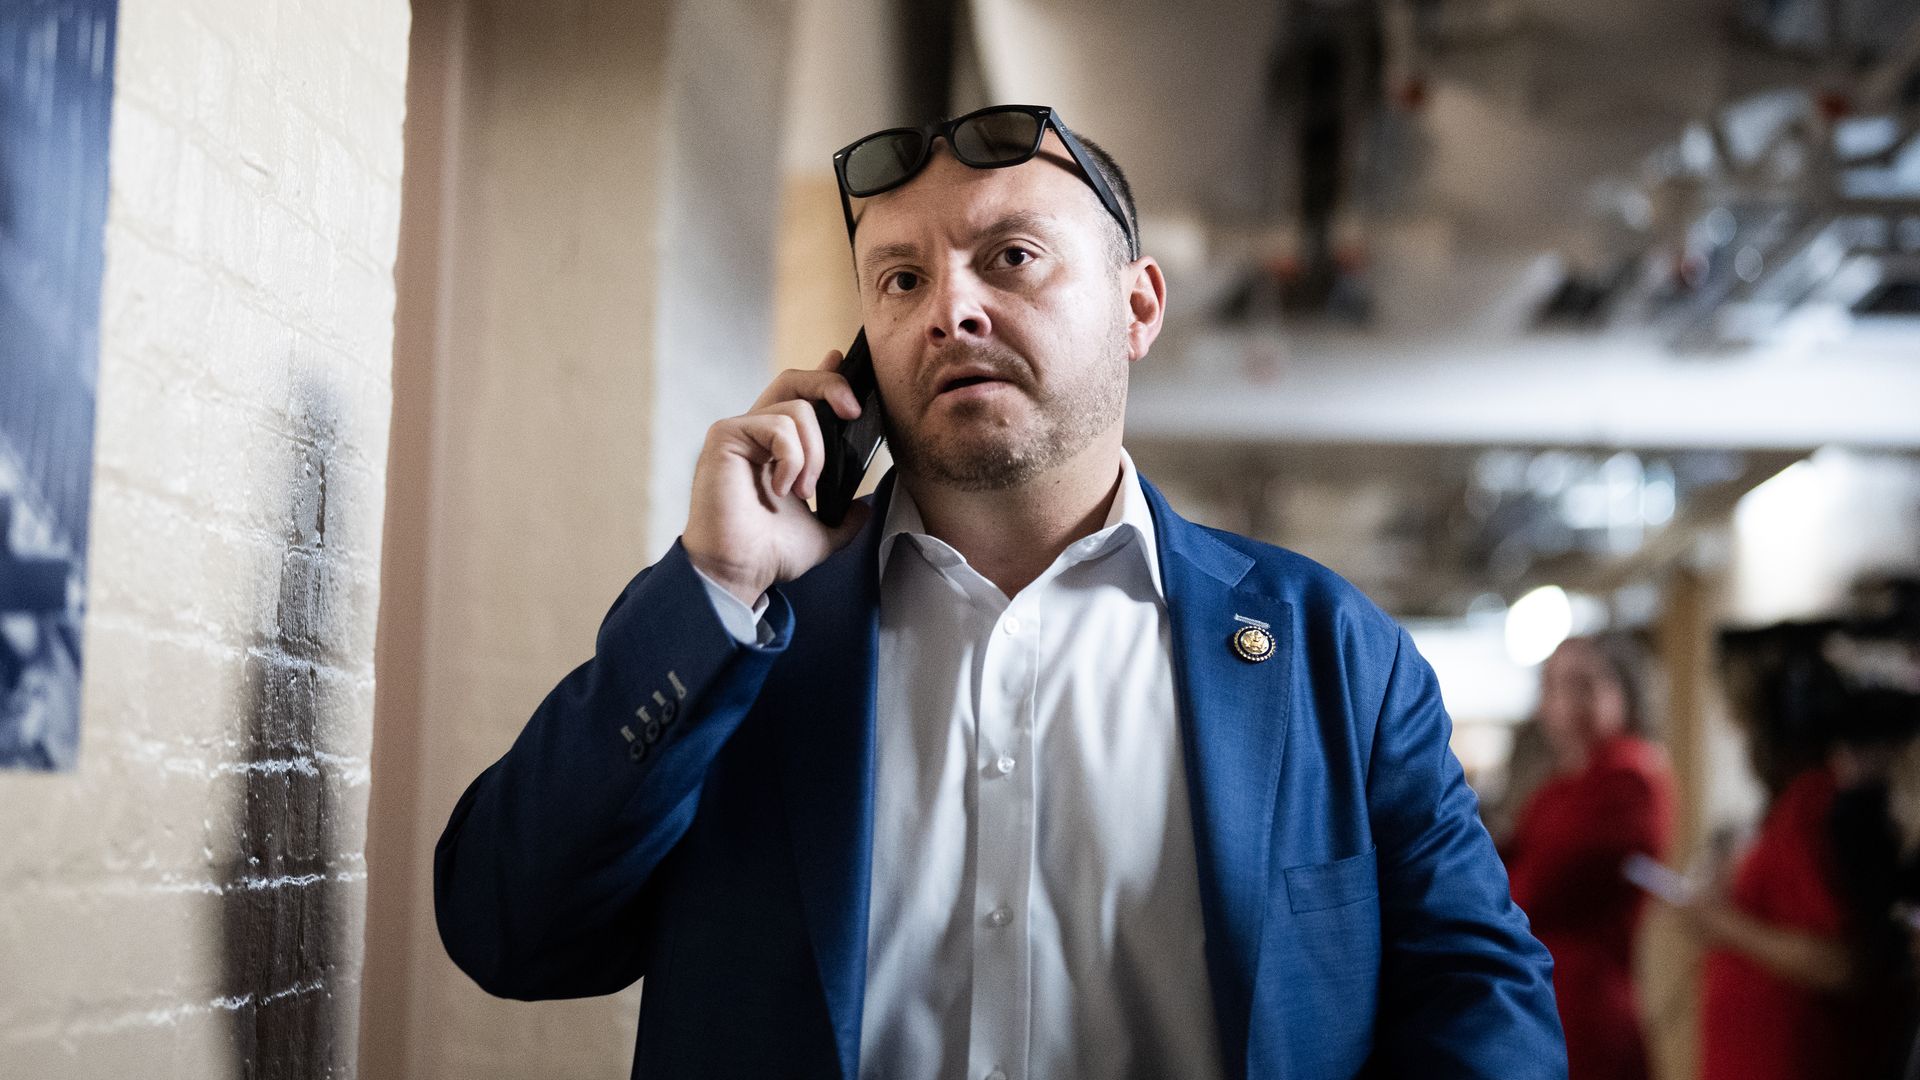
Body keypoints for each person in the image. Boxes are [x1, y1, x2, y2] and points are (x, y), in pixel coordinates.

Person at [433, 104, 1564, 1079]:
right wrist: (720, 585)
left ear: (1139, 306)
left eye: (1011, 257)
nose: (949, 312)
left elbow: (1480, 997)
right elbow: (506, 928)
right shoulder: (738, 633)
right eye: (902, 278)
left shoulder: (1331, 653)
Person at [1502, 636, 1675, 1080]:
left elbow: (1532, 890)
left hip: (1585, 1007)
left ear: (1622, 691)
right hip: (1541, 999)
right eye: (1555, 686)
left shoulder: (1630, 775)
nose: (1566, 702)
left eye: (1584, 684)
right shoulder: (1556, 788)